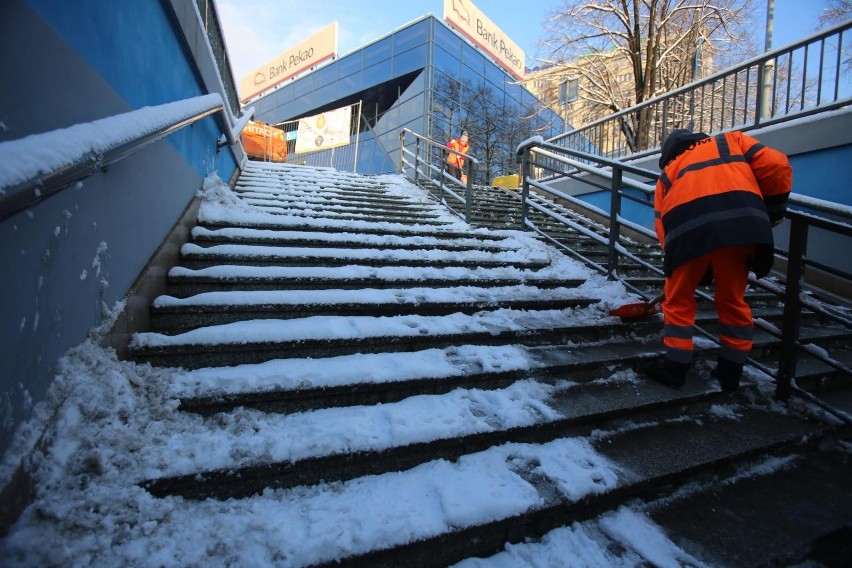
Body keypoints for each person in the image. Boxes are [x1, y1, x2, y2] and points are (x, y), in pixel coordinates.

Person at [643, 128, 792, 392]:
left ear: (668, 154)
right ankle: (730, 371)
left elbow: (661, 223)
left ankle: (675, 367)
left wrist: (677, 264)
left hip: (687, 233)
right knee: (733, 300)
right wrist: (772, 212)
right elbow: (777, 165)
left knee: (678, 300)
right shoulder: (731, 140)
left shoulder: (668, 172)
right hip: (740, 229)